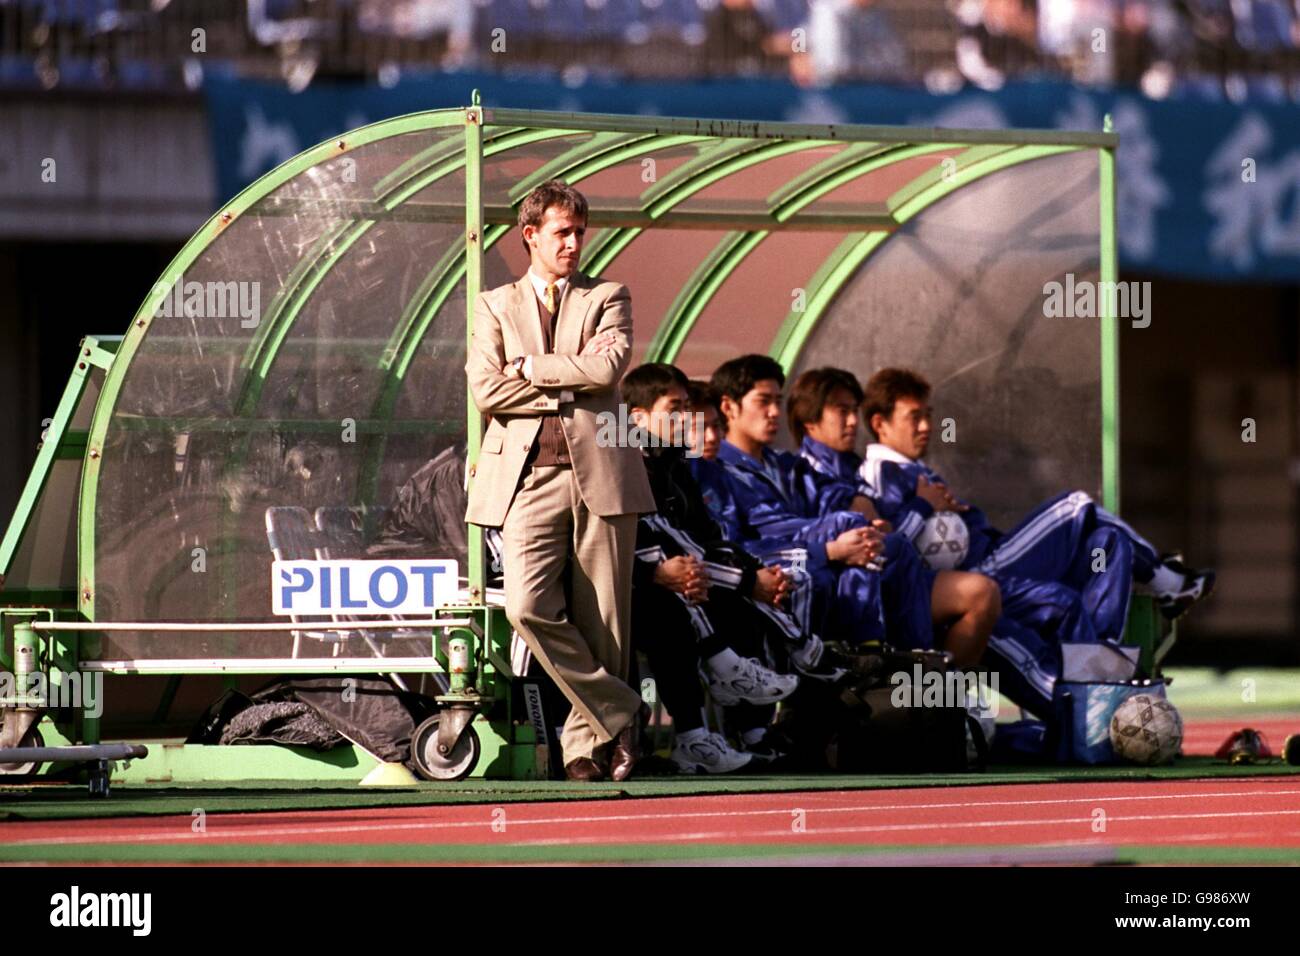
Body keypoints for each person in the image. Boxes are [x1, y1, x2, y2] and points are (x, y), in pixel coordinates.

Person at [465, 180, 655, 783]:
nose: (574, 243)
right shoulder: (493, 304)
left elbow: (608, 367)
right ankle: (622, 709)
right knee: (526, 607)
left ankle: (583, 752)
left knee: (604, 622)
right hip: (526, 478)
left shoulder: (608, 293)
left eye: (579, 232)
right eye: (561, 233)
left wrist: (533, 370)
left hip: (601, 473)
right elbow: (486, 389)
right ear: (531, 236)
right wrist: (569, 384)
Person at [856, 367, 1215, 636]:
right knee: (1075, 505)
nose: (926, 426)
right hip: (983, 571)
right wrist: (925, 507)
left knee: (1108, 544)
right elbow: (890, 544)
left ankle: (1100, 661)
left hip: (993, 554)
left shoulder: (914, 470)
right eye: (914, 417)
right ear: (880, 423)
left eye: (929, 415)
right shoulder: (880, 472)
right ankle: (1165, 580)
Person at [708, 355, 999, 668]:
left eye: (778, 401)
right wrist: (830, 549)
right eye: (764, 401)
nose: (774, 412)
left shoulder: (786, 465)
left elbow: (835, 494)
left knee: (890, 544)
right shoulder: (715, 471)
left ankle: (914, 669)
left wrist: (858, 504)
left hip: (826, 567)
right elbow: (738, 548)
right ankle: (875, 660)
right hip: (781, 577)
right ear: (728, 407)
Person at [624, 363, 822, 772]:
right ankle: (703, 720)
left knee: (737, 594)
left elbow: (707, 534)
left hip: (681, 577)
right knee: (675, 610)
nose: (687, 420)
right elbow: (628, 541)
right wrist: (742, 579)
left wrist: (744, 573)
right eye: (675, 408)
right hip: (629, 588)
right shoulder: (624, 463)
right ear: (638, 418)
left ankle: (750, 727)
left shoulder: (673, 463)